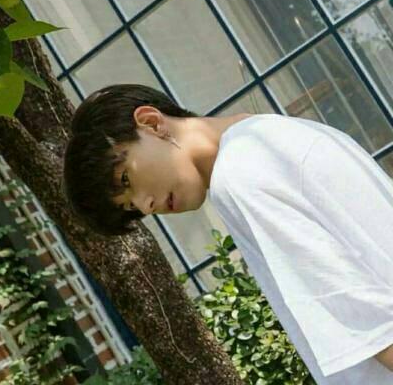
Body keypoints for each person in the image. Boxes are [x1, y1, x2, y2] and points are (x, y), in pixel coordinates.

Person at [63, 84, 393, 384]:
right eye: (130, 207)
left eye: (125, 179)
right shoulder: (275, 133)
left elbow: (373, 327)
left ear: (152, 123)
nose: (145, 205)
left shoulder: (239, 176)